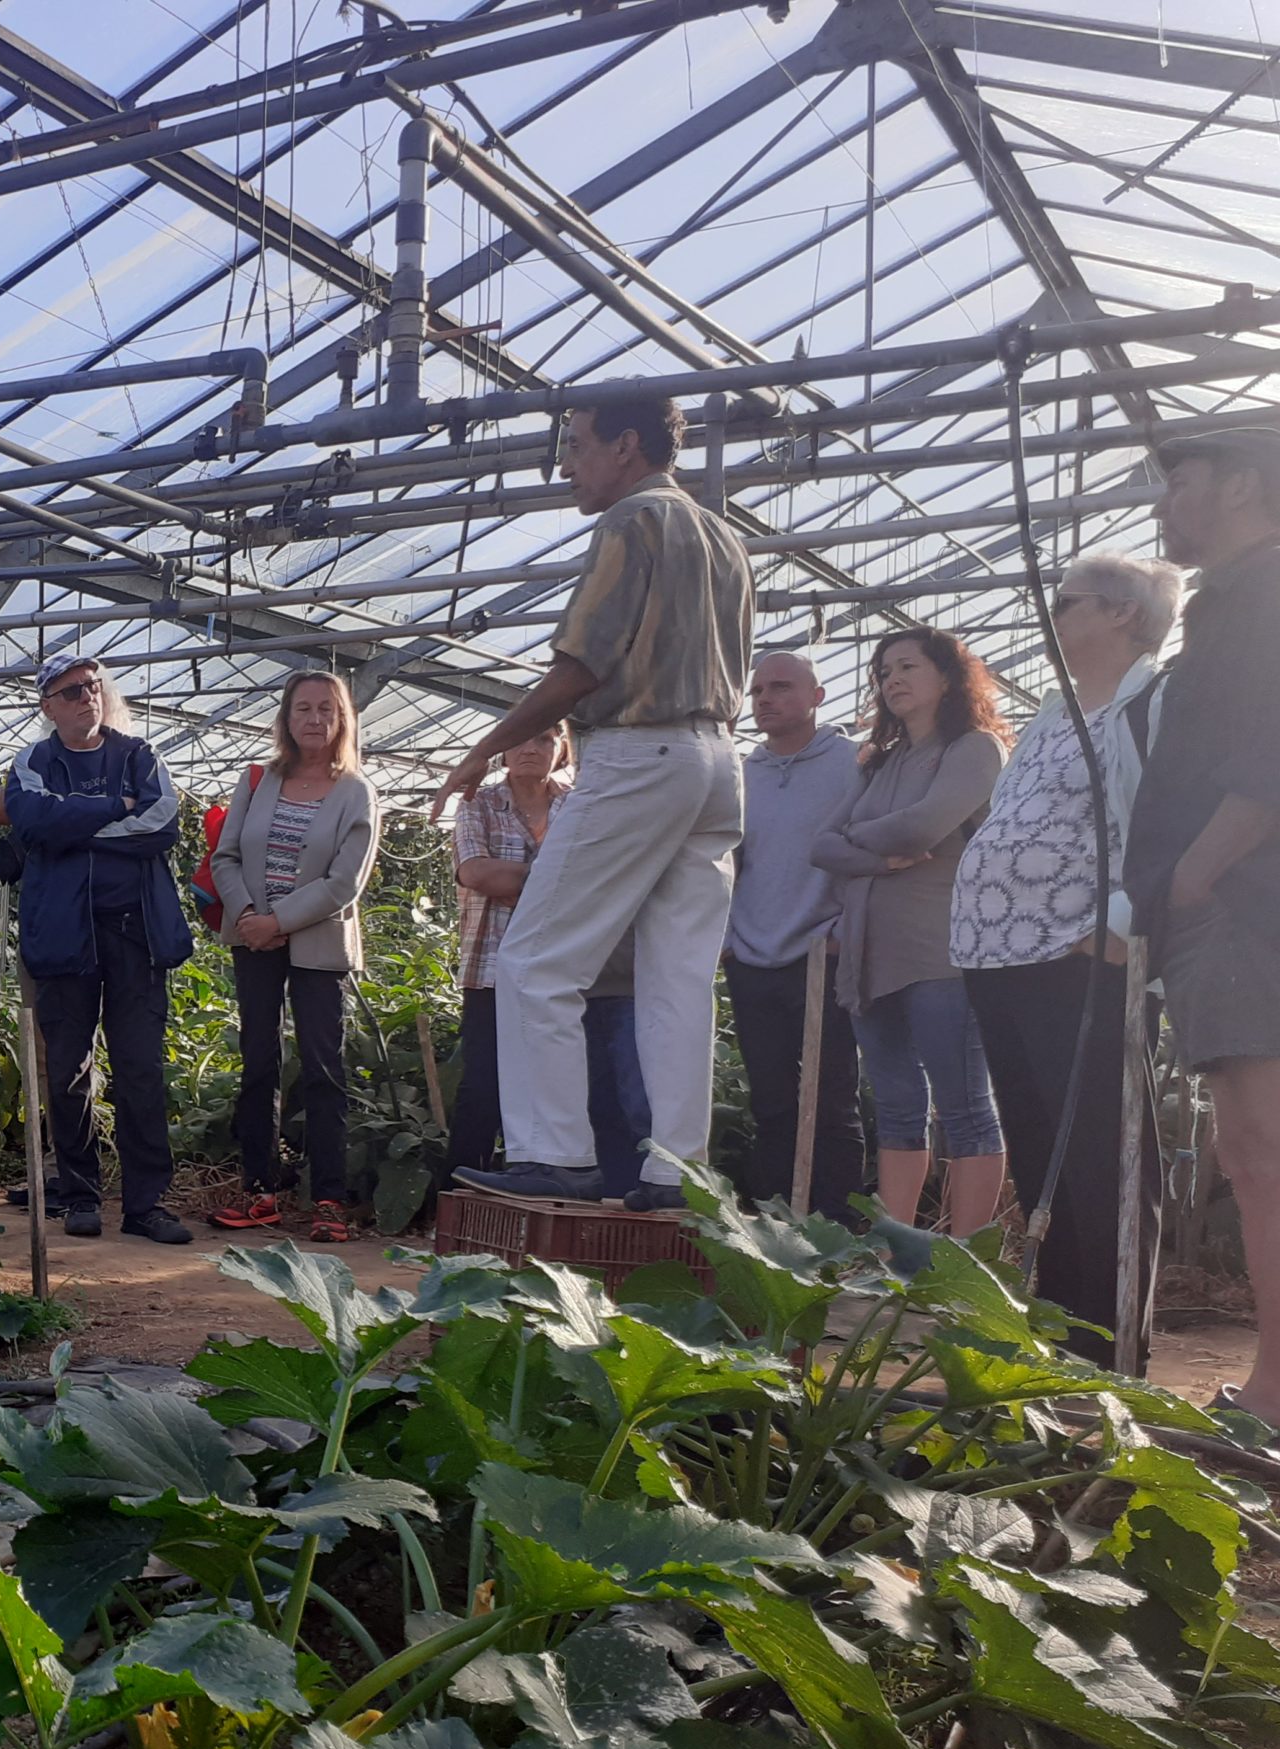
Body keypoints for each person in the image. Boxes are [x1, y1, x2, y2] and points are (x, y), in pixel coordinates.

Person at [431, 396, 753, 1212]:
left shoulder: (630, 524)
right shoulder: (724, 537)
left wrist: (480, 750)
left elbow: (582, 668)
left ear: (627, 444)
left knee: (536, 958)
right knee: (678, 978)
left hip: (638, 751)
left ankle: (556, 1156)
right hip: (715, 758)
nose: (565, 464)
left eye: (575, 446)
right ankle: (676, 1172)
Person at [953, 554, 1178, 1364]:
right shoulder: (1054, 712)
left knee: (1102, 1153)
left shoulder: (1153, 700)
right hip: (1005, 958)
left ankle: (1115, 1345)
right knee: (1045, 1149)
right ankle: (1064, 1330)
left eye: (1069, 599)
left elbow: (1166, 825)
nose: (1053, 611)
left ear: (1123, 613)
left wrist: (1118, 924)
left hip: (1086, 956)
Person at [1123, 426, 1280, 1418]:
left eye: (1177, 481)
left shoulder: (1259, 596)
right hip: (1233, 896)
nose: (1161, 501)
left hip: (1247, 900)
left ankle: (1275, 1394)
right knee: (1249, 1143)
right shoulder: (1226, 604)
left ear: (1242, 484)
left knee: (1259, 1142)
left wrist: (1198, 866)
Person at [811, 631, 1009, 1233]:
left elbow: (922, 827)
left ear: (949, 678)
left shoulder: (975, 748)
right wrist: (876, 857)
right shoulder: (880, 761)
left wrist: (858, 843)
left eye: (907, 667)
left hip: (940, 955)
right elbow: (819, 845)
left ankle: (970, 1262)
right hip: (870, 958)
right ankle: (896, 1252)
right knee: (896, 1111)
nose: (891, 679)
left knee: (965, 1108)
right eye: (882, 671)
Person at [0, 655, 195, 1246]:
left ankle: (146, 1205)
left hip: (135, 933)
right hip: (62, 935)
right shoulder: (34, 760)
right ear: (47, 706)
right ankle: (79, 1196)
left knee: (139, 1067)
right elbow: (31, 820)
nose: (88, 697)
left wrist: (72, 825)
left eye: (93, 686)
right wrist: (114, 808)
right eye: (72, 691)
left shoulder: (139, 755)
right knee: (68, 1067)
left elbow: (162, 823)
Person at [443, 724, 653, 1199]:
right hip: (492, 967)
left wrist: (522, 877)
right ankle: (456, 1200)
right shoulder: (478, 802)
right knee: (482, 1089)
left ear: (561, 750)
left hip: (573, 974)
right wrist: (563, 877)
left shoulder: (581, 803)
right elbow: (476, 872)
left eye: (544, 739)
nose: (530, 748)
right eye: (521, 738)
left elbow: (598, 873)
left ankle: (594, 1193)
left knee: (585, 1087)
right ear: (503, 748)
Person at [207, 671, 380, 1242]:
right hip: (254, 937)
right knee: (258, 1062)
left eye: (325, 710)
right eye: (302, 708)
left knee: (324, 1069)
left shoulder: (356, 791)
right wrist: (251, 918)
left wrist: (278, 921)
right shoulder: (257, 780)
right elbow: (226, 855)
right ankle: (261, 1190)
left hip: (317, 943)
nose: (313, 719)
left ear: (341, 720)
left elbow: (344, 882)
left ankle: (328, 1198)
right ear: (285, 718)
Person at [727, 652, 868, 1223]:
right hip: (751, 956)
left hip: (822, 954)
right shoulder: (739, 773)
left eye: (781, 687)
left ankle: (837, 1225)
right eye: (757, 689)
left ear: (817, 695)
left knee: (833, 1099)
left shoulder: (854, 764)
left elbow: (868, 854)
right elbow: (725, 860)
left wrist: (843, 931)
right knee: (771, 1100)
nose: (765, 698)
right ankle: (775, 1225)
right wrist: (726, 936)